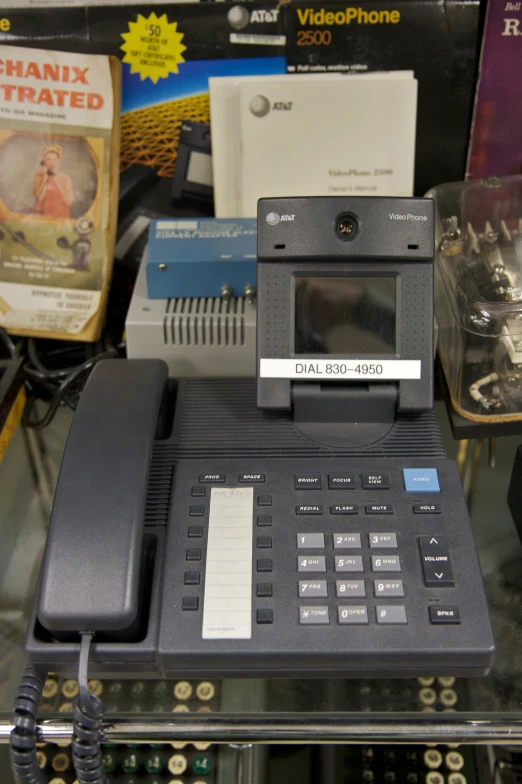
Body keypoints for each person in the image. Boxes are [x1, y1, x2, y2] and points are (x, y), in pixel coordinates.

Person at [33, 144, 73, 219]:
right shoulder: (39, 176)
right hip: (42, 214)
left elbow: (69, 202)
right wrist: (44, 179)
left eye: (54, 159)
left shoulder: (66, 178)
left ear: (59, 161)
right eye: (48, 159)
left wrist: (57, 182)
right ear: (44, 161)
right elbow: (38, 198)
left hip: (60, 214)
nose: (51, 162)